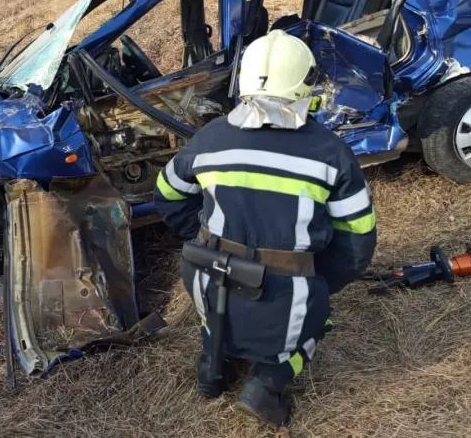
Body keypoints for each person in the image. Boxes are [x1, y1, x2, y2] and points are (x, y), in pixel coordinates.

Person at [153, 30, 377, 427]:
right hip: (284, 294)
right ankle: (266, 385)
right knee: (319, 320)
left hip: (208, 278)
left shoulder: (209, 139)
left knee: (218, 316)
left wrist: (201, 234)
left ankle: (213, 365)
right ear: (307, 84)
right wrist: (318, 282)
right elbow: (357, 242)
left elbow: (167, 194)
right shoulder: (332, 154)